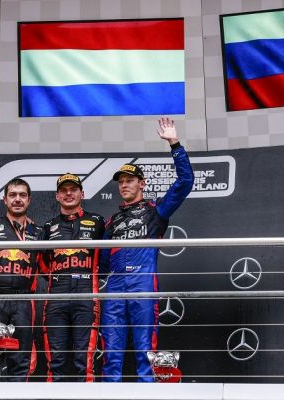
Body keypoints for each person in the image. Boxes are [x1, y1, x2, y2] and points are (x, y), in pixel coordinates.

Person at [100, 117, 194, 382]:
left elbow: (185, 182)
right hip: (114, 288)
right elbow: (102, 263)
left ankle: (147, 394)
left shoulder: (156, 211)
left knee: (145, 353)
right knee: (111, 355)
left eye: (130, 180)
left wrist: (174, 144)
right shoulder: (112, 221)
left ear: (142, 183)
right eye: (121, 182)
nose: (124, 185)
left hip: (143, 284)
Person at [40, 173, 105, 382]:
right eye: (64, 190)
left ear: (82, 194)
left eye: (73, 189)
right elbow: (42, 264)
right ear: (57, 196)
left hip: (86, 295)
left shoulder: (97, 222)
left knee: (84, 363)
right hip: (56, 297)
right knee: (55, 362)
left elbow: (107, 258)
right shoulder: (48, 226)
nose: (69, 194)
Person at [0, 178, 43, 381]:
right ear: (4, 199)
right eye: (13, 195)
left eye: (22, 195)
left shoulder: (39, 232)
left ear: (29, 200)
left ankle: (17, 394)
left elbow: (48, 266)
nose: (17, 199)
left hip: (24, 301)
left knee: (21, 361)